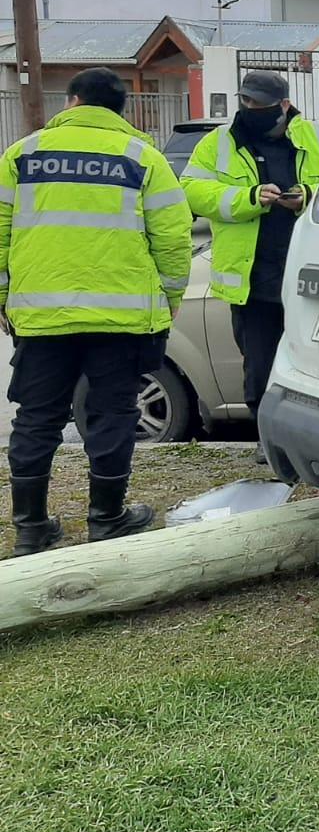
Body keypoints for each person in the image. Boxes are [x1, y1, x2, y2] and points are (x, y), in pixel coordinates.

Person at [2, 67, 192, 557]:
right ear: (120, 110)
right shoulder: (144, 158)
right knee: (111, 414)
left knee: (37, 418)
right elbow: (173, 241)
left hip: (41, 317)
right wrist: (168, 301)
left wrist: (3, 297)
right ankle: (107, 518)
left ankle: (30, 528)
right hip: (122, 318)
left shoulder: (21, 156)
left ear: (71, 102)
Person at [181, 72, 319, 419]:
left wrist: (309, 196)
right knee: (259, 364)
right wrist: (250, 198)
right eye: (246, 101)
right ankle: (266, 434)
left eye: (260, 103)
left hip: (312, 277)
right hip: (253, 281)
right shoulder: (218, 142)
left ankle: (311, 433)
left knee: (316, 362)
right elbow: (191, 190)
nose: (251, 108)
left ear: (284, 105)